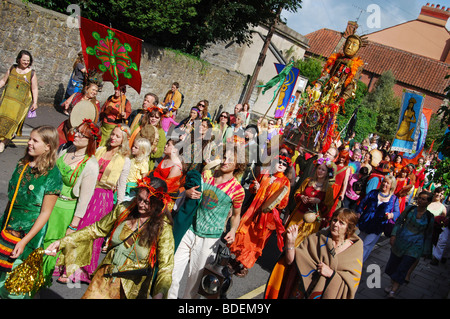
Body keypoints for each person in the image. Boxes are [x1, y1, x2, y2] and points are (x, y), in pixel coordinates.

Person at [46, 176, 175, 299]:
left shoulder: (163, 226)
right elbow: (96, 229)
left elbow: (166, 266)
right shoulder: (124, 209)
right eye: (139, 199)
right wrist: (62, 242)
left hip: (131, 287)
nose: (141, 204)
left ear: (158, 203)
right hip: (105, 276)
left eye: (147, 202)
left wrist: (160, 293)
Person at [55, 125, 131, 284]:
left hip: (103, 198)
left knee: (88, 234)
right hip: (87, 191)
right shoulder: (100, 149)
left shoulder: (125, 160)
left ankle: (76, 272)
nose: (113, 138)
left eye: (117, 136)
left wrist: (122, 209)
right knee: (76, 228)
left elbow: (122, 186)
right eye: (113, 134)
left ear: (123, 140)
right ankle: (64, 265)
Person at [168, 146, 246, 299]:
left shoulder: (238, 190)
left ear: (238, 165)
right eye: (224, 156)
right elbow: (187, 188)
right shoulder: (206, 175)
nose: (225, 161)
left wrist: (233, 230)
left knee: (195, 283)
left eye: (231, 159)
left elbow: (236, 215)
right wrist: (188, 192)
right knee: (171, 272)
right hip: (189, 230)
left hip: (210, 239)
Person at [0, 126, 62, 299]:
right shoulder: (23, 164)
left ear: (48, 146)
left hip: (28, 236)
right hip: (7, 228)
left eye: (35, 141)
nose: (29, 143)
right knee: (1, 282)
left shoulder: (52, 174)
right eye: (30, 139)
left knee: (16, 288)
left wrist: (24, 241)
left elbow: (45, 213)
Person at [41, 120, 100, 286]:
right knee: (37, 239)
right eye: (77, 131)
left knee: (49, 246)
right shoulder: (65, 149)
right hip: (47, 201)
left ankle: (38, 285)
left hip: (64, 210)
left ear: (91, 141)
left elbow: (84, 199)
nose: (77, 135)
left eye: (82, 134)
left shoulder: (91, 165)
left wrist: (73, 226)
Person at [265, 208, 363, 299]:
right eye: (334, 220)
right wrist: (290, 242)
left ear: (349, 228)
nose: (336, 224)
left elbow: (351, 282)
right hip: (301, 292)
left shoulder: (354, 250)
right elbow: (291, 261)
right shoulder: (317, 238)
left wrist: (332, 274)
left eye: (341, 223)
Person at [228, 155, 293, 277]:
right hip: (253, 210)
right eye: (279, 162)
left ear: (286, 168)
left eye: (284, 164)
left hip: (266, 217)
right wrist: (255, 187)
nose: (281, 164)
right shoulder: (265, 173)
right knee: (244, 233)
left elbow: (283, 203)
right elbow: (253, 187)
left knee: (255, 241)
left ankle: (242, 264)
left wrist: (273, 202)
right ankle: (236, 260)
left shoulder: (285, 182)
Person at [384, 191, 434, 298]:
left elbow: (429, 235)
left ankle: (394, 290)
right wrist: (393, 235)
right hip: (401, 241)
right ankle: (392, 283)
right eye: (419, 198)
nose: (420, 200)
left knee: (404, 266)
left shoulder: (430, 217)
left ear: (428, 202)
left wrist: (426, 252)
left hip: (415, 246)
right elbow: (399, 221)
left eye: (424, 199)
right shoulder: (410, 209)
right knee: (392, 265)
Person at [284, 158, 335, 247]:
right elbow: (297, 193)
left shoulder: (329, 189)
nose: (320, 171)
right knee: (288, 239)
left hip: (311, 220)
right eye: (319, 168)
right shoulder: (308, 181)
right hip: (298, 215)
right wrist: (301, 197)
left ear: (327, 173)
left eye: (323, 170)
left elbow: (327, 208)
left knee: (299, 244)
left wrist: (319, 202)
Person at [0, 50, 39, 153]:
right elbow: (4, 81)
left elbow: (34, 88)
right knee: (2, 119)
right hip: (6, 100)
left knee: (13, 122)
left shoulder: (32, 73)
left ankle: (3, 142)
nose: (26, 62)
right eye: (24, 60)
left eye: (28, 60)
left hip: (20, 104)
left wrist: (35, 102)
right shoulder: (12, 68)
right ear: (19, 59)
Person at [356, 174, 400, 262]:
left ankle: (358, 265)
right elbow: (362, 203)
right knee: (358, 243)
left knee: (366, 245)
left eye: (387, 183)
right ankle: (352, 261)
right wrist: (359, 212)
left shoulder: (393, 198)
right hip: (365, 222)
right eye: (384, 182)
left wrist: (391, 215)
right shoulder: (373, 193)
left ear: (391, 186)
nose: (385, 184)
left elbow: (397, 212)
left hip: (378, 226)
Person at [57, 70, 103, 145]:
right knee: (58, 144)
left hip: (79, 133)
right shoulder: (76, 95)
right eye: (93, 90)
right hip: (67, 126)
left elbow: (95, 119)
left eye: (96, 91)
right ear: (87, 88)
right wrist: (66, 105)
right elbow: (65, 104)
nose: (95, 92)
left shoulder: (96, 103)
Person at [130, 106, 166, 171]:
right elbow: (131, 138)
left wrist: (155, 150)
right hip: (133, 157)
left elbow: (161, 151)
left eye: (156, 117)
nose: (153, 119)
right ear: (148, 116)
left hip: (146, 162)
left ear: (160, 119)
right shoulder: (139, 126)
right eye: (152, 116)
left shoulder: (161, 132)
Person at [124, 137, 151, 202]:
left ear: (143, 151)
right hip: (125, 183)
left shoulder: (143, 162)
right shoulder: (132, 157)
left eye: (136, 148)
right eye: (133, 146)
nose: (133, 148)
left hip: (132, 188)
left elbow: (144, 178)